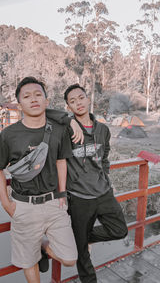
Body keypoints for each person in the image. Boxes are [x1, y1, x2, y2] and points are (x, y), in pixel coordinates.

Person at [0, 77, 78, 283]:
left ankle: (42, 248)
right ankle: (34, 251)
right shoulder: (9, 134)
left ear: (47, 101)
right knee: (28, 262)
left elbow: (61, 161)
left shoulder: (58, 131)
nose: (33, 99)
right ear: (19, 104)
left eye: (38, 94)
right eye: (27, 96)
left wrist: (62, 194)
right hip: (23, 206)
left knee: (70, 259)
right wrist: (6, 203)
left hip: (53, 203)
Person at [62, 84, 128, 283]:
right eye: (72, 101)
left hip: (103, 193)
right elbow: (43, 114)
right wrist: (68, 121)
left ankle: (81, 237)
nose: (78, 103)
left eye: (81, 98)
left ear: (88, 99)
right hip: (79, 197)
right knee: (82, 255)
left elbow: (105, 156)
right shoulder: (65, 130)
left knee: (120, 230)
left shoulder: (103, 130)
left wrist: (105, 177)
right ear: (68, 106)